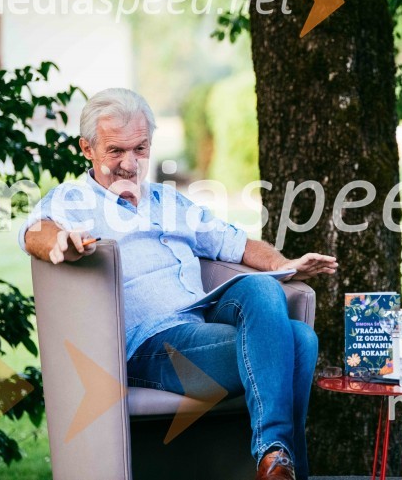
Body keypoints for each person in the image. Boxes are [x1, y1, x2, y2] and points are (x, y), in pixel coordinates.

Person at [20, 88, 336, 480]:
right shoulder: (73, 200)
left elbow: (236, 243)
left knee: (262, 287)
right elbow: (36, 231)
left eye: (139, 149)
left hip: (201, 318)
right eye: (115, 151)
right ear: (87, 149)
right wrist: (58, 243)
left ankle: (274, 461)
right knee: (300, 341)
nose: (129, 163)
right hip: (152, 346)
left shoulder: (168, 201)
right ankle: (278, 460)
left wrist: (283, 264)